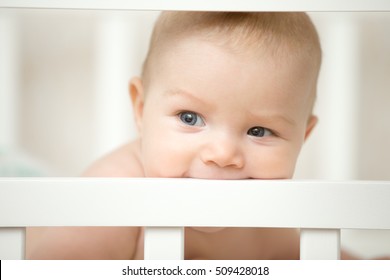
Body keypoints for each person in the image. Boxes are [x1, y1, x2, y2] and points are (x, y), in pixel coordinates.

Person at [26, 11, 351, 259]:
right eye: (190, 118)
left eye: (259, 131)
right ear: (141, 109)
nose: (222, 154)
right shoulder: (109, 198)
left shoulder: (264, 215)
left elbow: (311, 254)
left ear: (303, 137)